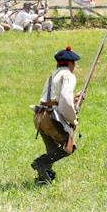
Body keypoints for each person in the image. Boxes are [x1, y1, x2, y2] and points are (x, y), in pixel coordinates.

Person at [30, 46, 82, 184]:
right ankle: (40, 163)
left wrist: (74, 100)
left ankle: (43, 177)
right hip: (51, 118)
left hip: (39, 117)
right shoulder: (69, 75)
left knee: (52, 150)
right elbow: (64, 99)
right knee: (69, 147)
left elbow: (55, 98)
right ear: (71, 64)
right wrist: (73, 119)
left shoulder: (52, 75)